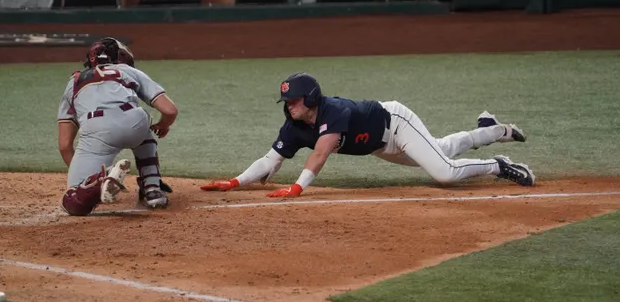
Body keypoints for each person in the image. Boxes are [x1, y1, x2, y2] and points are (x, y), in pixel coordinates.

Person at [201, 72, 535, 197]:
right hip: (379, 145)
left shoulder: (333, 112)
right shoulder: (293, 126)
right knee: (442, 149)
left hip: (396, 122)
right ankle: (488, 130)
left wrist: (298, 187)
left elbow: (321, 153)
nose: (289, 106)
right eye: (286, 101)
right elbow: (270, 160)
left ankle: (498, 164)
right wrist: (235, 182)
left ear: (312, 98)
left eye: (294, 100)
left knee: (444, 172)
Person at [57, 37, 178, 216]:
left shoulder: (73, 83)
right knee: (143, 124)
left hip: (96, 131)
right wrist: (163, 125)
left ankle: (98, 183)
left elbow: (65, 145)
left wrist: (84, 176)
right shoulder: (126, 71)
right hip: (134, 121)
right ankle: (152, 189)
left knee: (74, 202)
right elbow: (170, 110)